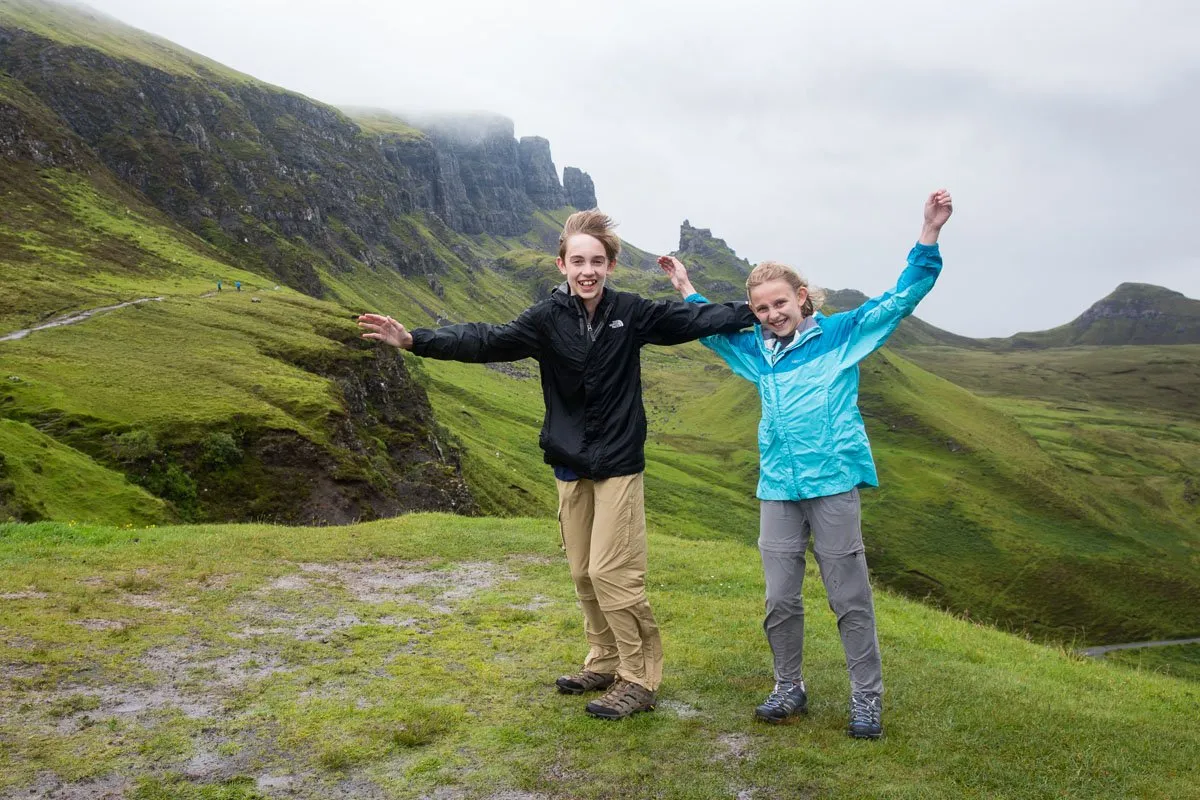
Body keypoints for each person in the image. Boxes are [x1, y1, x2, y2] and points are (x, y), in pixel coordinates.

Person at [357, 210, 756, 719]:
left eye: (597, 261)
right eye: (578, 261)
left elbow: (695, 321)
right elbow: (486, 339)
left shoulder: (630, 312)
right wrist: (416, 340)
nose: (588, 271)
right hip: (569, 462)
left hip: (618, 462)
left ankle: (638, 678)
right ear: (562, 265)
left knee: (613, 572)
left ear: (610, 265)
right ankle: (604, 660)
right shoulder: (546, 319)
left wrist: (755, 312)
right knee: (583, 572)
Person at [658, 189, 953, 739]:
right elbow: (712, 333)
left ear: (801, 297)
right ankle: (788, 687)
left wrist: (929, 234)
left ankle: (866, 699)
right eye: (762, 309)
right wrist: (685, 288)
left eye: (780, 304)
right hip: (777, 488)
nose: (773, 315)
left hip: (833, 484)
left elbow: (900, 298)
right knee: (779, 599)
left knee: (849, 598)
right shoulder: (757, 350)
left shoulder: (841, 336)